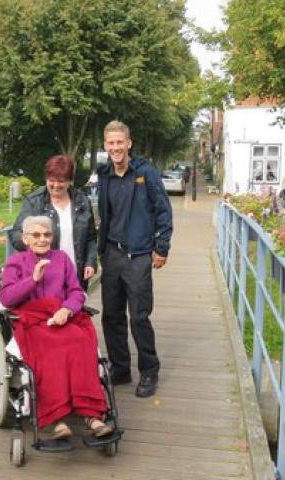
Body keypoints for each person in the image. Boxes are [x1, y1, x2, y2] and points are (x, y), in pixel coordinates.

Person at [0, 216, 113, 440]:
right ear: (25, 239)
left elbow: (76, 292)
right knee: (50, 350)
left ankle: (91, 414)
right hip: (33, 321)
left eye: (47, 234)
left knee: (80, 342)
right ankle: (56, 417)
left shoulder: (62, 259)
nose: (42, 239)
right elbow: (7, 298)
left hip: (61, 317)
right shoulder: (16, 262)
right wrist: (33, 279)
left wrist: (67, 309)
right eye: (36, 235)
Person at [96, 120, 172, 398]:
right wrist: (100, 250)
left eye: (120, 142)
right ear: (105, 146)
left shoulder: (145, 173)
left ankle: (149, 371)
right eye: (111, 143)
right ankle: (120, 368)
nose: (115, 147)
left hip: (138, 255)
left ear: (129, 143)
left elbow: (163, 210)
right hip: (111, 254)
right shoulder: (104, 175)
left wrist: (161, 248)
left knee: (139, 316)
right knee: (112, 316)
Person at [10, 154, 98, 290]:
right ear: (46, 178)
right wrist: (36, 244)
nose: (56, 185)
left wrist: (90, 262)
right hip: (44, 277)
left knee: (75, 303)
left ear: (70, 181)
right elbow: (16, 235)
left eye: (61, 181)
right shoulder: (34, 202)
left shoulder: (82, 201)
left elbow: (91, 238)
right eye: (51, 180)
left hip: (76, 277)